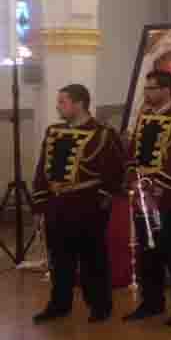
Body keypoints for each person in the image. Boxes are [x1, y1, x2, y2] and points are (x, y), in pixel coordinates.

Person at [30, 84, 124, 324]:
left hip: (87, 204)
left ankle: (99, 305)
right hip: (57, 205)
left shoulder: (104, 134)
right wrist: (40, 203)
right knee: (59, 259)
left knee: (93, 258)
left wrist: (103, 199)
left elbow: (114, 170)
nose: (58, 106)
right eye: (59, 102)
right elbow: (42, 169)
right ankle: (59, 303)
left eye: (63, 101)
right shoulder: (53, 131)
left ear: (80, 103)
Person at [123, 70, 171, 325]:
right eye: (146, 88)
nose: (147, 93)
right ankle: (152, 301)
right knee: (148, 251)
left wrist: (158, 186)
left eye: (152, 88)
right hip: (144, 194)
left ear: (167, 90)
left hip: (169, 196)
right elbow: (134, 151)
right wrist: (134, 178)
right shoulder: (144, 117)